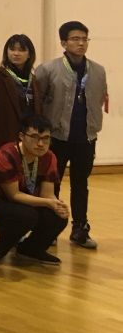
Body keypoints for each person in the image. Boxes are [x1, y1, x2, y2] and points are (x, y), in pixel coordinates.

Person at [34, 21, 108, 249]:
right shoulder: (47, 69)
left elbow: (98, 100)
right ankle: (50, 229)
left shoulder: (98, 70)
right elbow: (38, 102)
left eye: (85, 39)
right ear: (63, 43)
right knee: (51, 183)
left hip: (85, 138)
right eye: (75, 39)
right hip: (56, 138)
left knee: (80, 184)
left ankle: (80, 229)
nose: (81, 43)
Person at [0, 113, 69, 266]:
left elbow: (47, 194)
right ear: (21, 136)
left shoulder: (49, 157)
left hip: (25, 202)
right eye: (34, 137)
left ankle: (31, 249)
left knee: (58, 216)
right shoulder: (5, 155)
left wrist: (57, 205)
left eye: (46, 138)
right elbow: (13, 195)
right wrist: (48, 203)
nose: (40, 144)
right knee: (26, 215)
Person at [0, 34, 41, 151]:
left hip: (30, 136)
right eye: (12, 49)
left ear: (29, 54)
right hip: (5, 135)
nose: (16, 53)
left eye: (21, 50)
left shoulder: (34, 80)